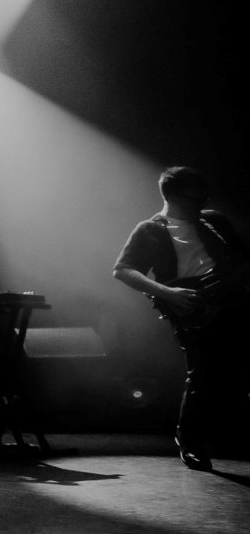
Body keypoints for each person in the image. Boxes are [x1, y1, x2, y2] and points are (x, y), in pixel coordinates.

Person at [112, 166, 250, 471]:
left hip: (233, 301)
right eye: (193, 199)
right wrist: (168, 294)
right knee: (203, 375)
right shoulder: (149, 229)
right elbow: (122, 270)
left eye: (203, 197)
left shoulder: (213, 220)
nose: (200, 204)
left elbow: (243, 259)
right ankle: (189, 440)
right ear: (172, 197)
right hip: (190, 307)